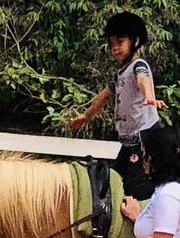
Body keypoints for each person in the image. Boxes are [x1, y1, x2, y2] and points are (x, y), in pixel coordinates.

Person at [70, 11, 167, 200]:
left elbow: (142, 79)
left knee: (137, 188)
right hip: (129, 141)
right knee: (114, 179)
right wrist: (86, 116)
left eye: (120, 42)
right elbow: (103, 96)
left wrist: (149, 97)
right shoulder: (120, 74)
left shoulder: (139, 65)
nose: (114, 48)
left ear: (135, 41)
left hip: (144, 138)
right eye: (111, 44)